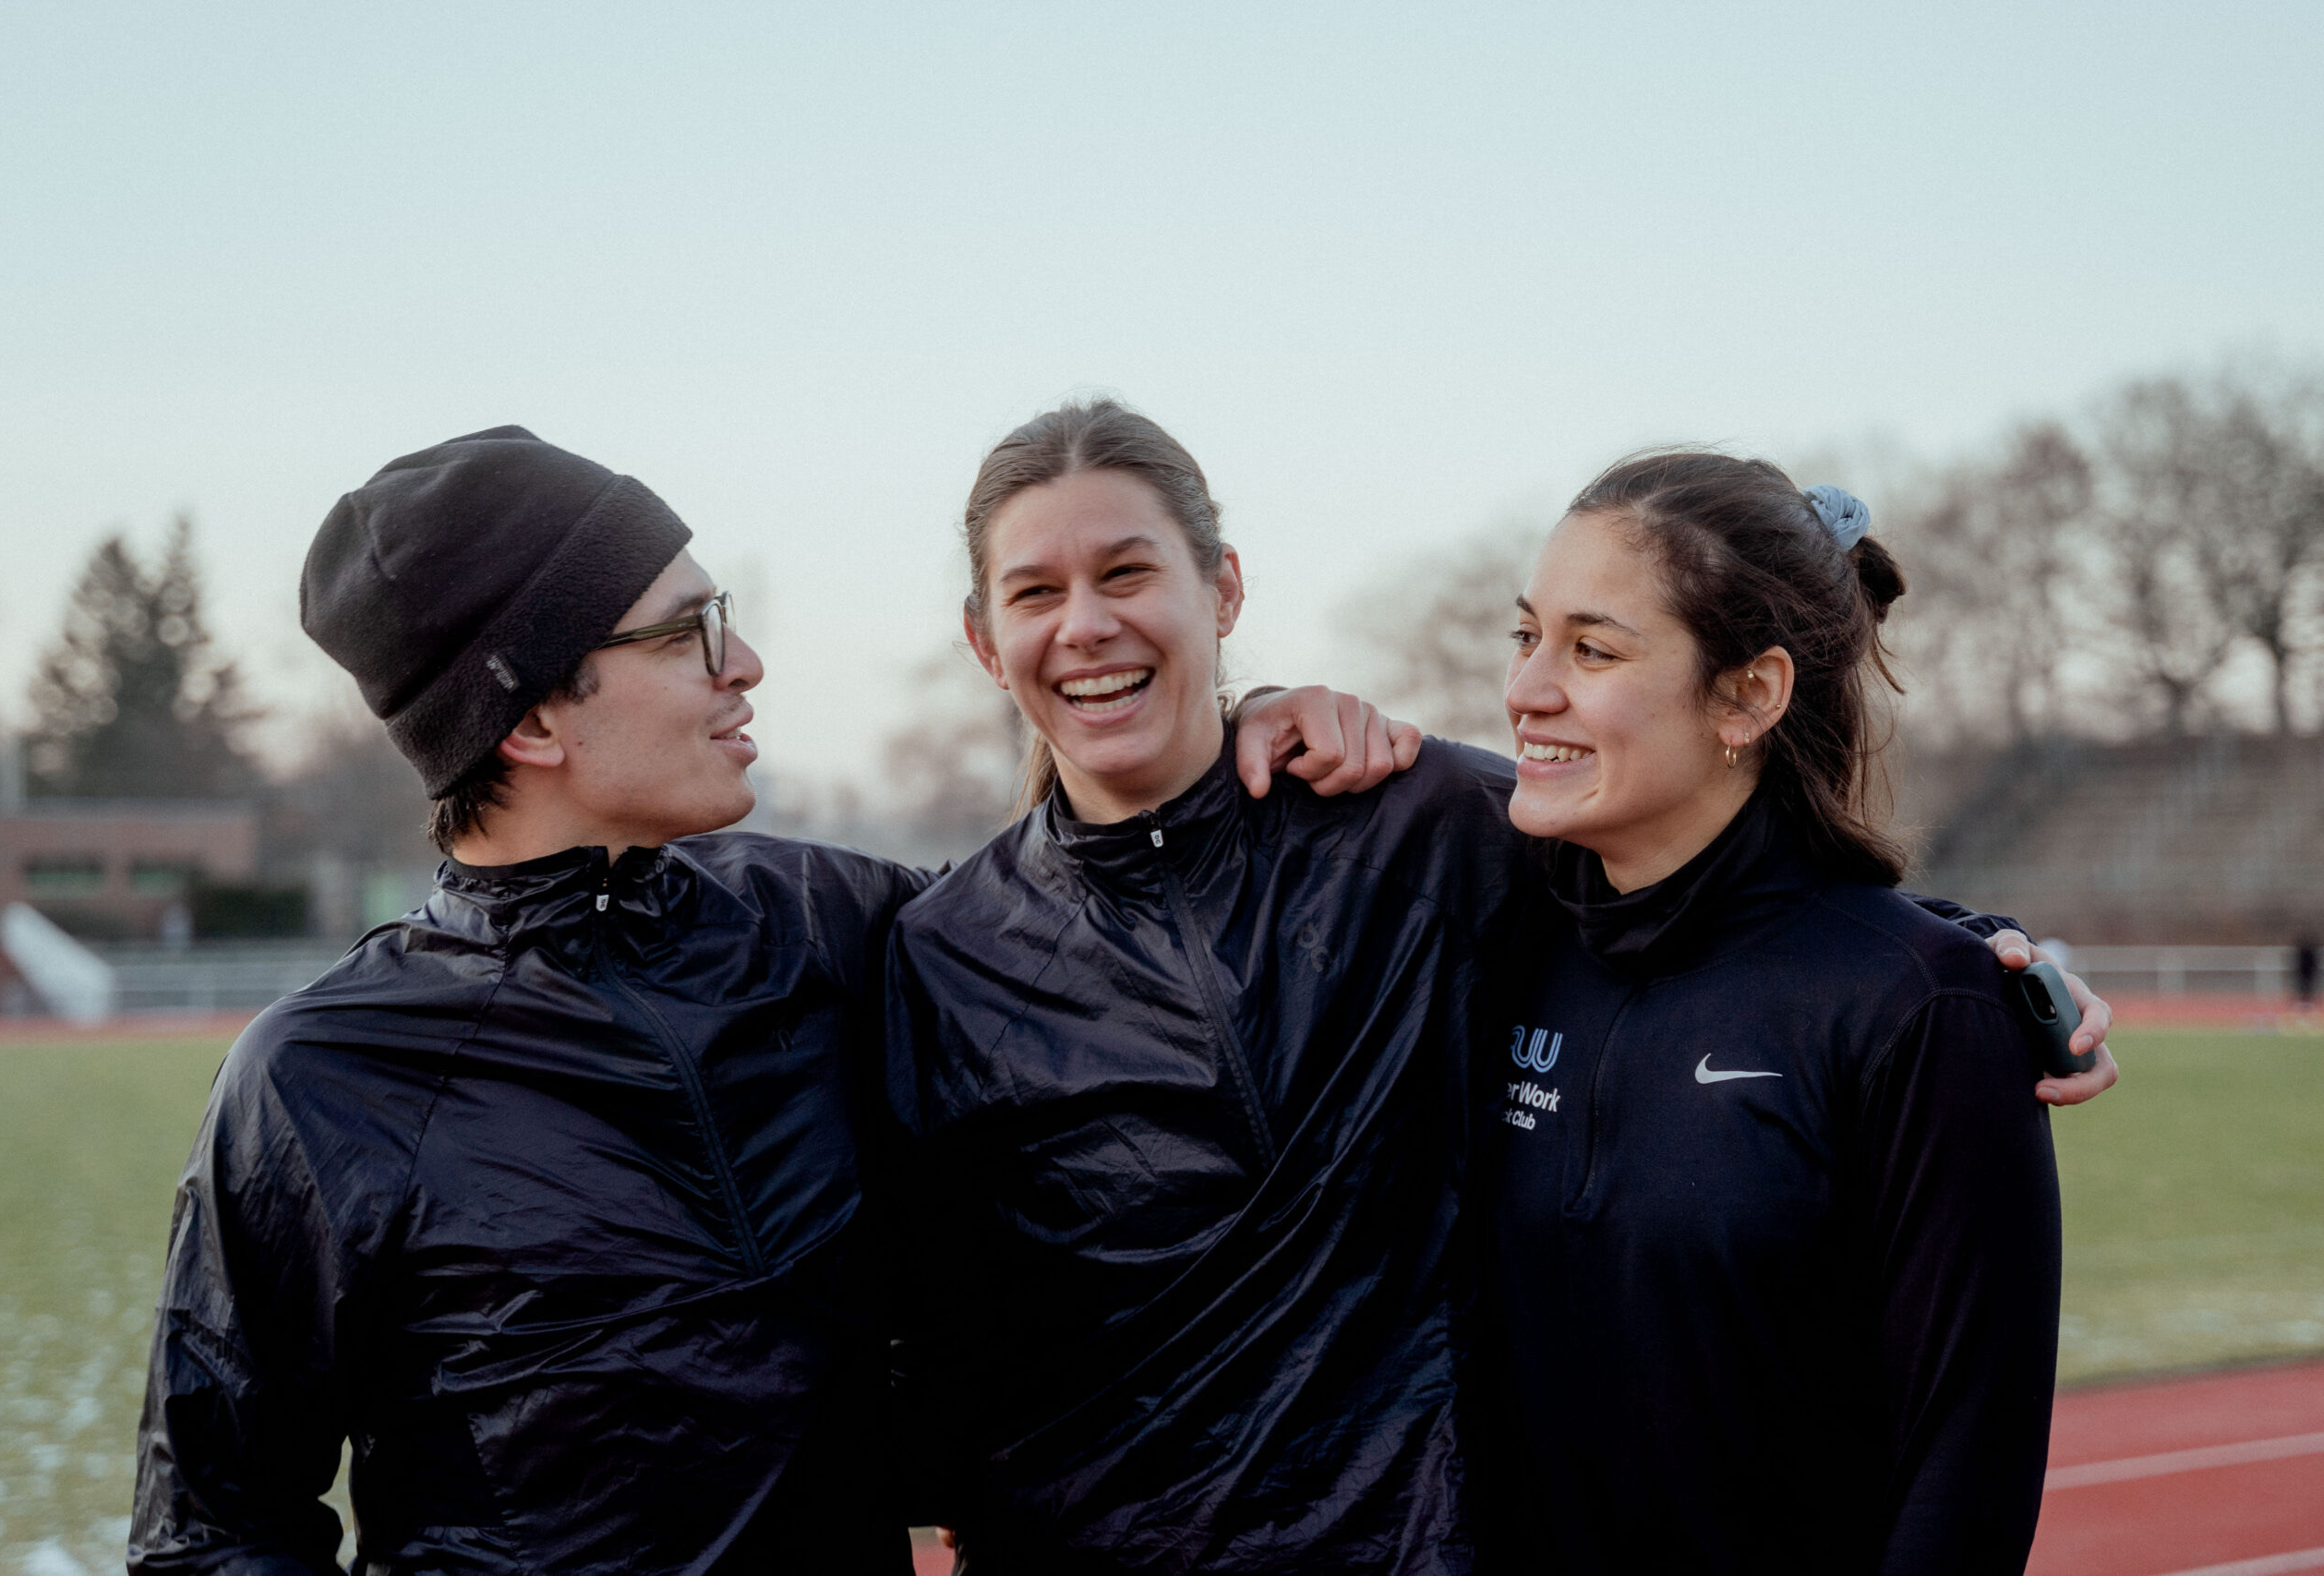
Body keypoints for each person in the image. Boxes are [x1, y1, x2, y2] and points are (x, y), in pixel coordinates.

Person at [128, 426, 1414, 1576]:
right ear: (527, 721)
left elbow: (1087, 905)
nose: (743, 660)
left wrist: (1252, 732)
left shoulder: (840, 927)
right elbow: (213, 1525)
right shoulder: (321, 1078)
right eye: (687, 630)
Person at [882, 403, 2113, 1574]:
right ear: (985, 638)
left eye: (1129, 572)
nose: (1086, 623)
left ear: (1225, 589)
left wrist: (1989, 966)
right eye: (1037, 591)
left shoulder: (1422, 833)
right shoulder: (939, 952)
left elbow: (1746, 906)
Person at [1482, 455, 2066, 1572]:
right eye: (1526, 637)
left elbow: (1966, 1482)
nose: (1526, 689)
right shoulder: (1496, 943)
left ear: (1748, 694)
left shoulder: (1922, 1007)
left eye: (1591, 650)